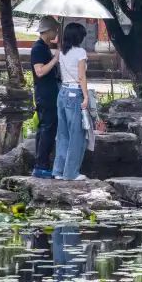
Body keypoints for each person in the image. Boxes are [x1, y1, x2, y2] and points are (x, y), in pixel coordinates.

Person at [53, 23, 89, 181]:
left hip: (63, 92)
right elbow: (81, 76)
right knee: (76, 135)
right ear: (78, 37)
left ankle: (59, 171)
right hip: (75, 93)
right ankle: (71, 173)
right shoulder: (80, 52)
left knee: (63, 134)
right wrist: (86, 96)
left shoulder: (62, 52)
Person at [30, 17, 61, 179]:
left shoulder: (45, 47)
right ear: (48, 31)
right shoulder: (38, 48)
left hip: (50, 92)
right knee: (47, 128)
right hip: (45, 94)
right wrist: (55, 59)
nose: (56, 33)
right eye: (55, 30)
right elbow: (40, 71)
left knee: (46, 128)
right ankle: (41, 166)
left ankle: (41, 164)